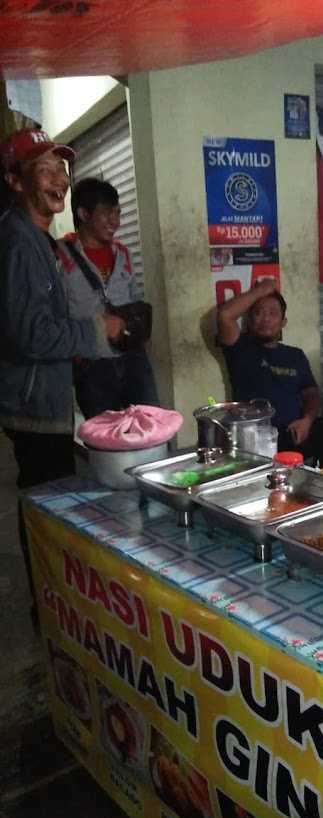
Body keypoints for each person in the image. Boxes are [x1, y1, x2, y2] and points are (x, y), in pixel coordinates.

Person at [0, 128, 124, 623]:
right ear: (15, 180)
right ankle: (50, 609)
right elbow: (29, 335)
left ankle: (51, 600)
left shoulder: (34, 237)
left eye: (62, 169)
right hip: (31, 405)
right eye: (45, 169)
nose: (59, 179)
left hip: (43, 397)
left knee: (48, 504)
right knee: (45, 508)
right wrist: (97, 330)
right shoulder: (17, 241)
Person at [56, 177, 159, 418]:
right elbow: (56, 314)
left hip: (132, 357)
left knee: (151, 425)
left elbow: (134, 297)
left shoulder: (122, 252)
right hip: (92, 364)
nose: (116, 220)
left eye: (118, 212)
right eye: (107, 213)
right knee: (106, 440)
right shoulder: (61, 256)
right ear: (83, 213)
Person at [217, 280, 323, 463]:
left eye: (272, 313)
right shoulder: (240, 349)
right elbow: (225, 315)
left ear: (283, 322)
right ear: (249, 320)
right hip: (255, 437)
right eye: (259, 313)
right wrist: (261, 291)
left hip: (294, 433)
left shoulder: (295, 355)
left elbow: (311, 392)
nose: (266, 318)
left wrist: (307, 420)